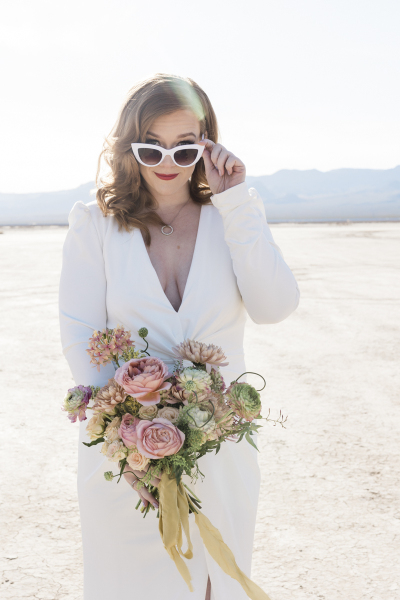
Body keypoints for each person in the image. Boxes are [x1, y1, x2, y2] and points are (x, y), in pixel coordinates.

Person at [58, 72, 300, 600]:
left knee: (218, 585)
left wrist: (235, 203)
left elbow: (276, 307)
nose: (167, 163)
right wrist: (126, 447)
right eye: (151, 149)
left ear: (209, 144)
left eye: (185, 148)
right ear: (129, 150)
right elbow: (81, 336)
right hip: (125, 457)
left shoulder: (232, 217)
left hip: (221, 447)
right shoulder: (95, 225)